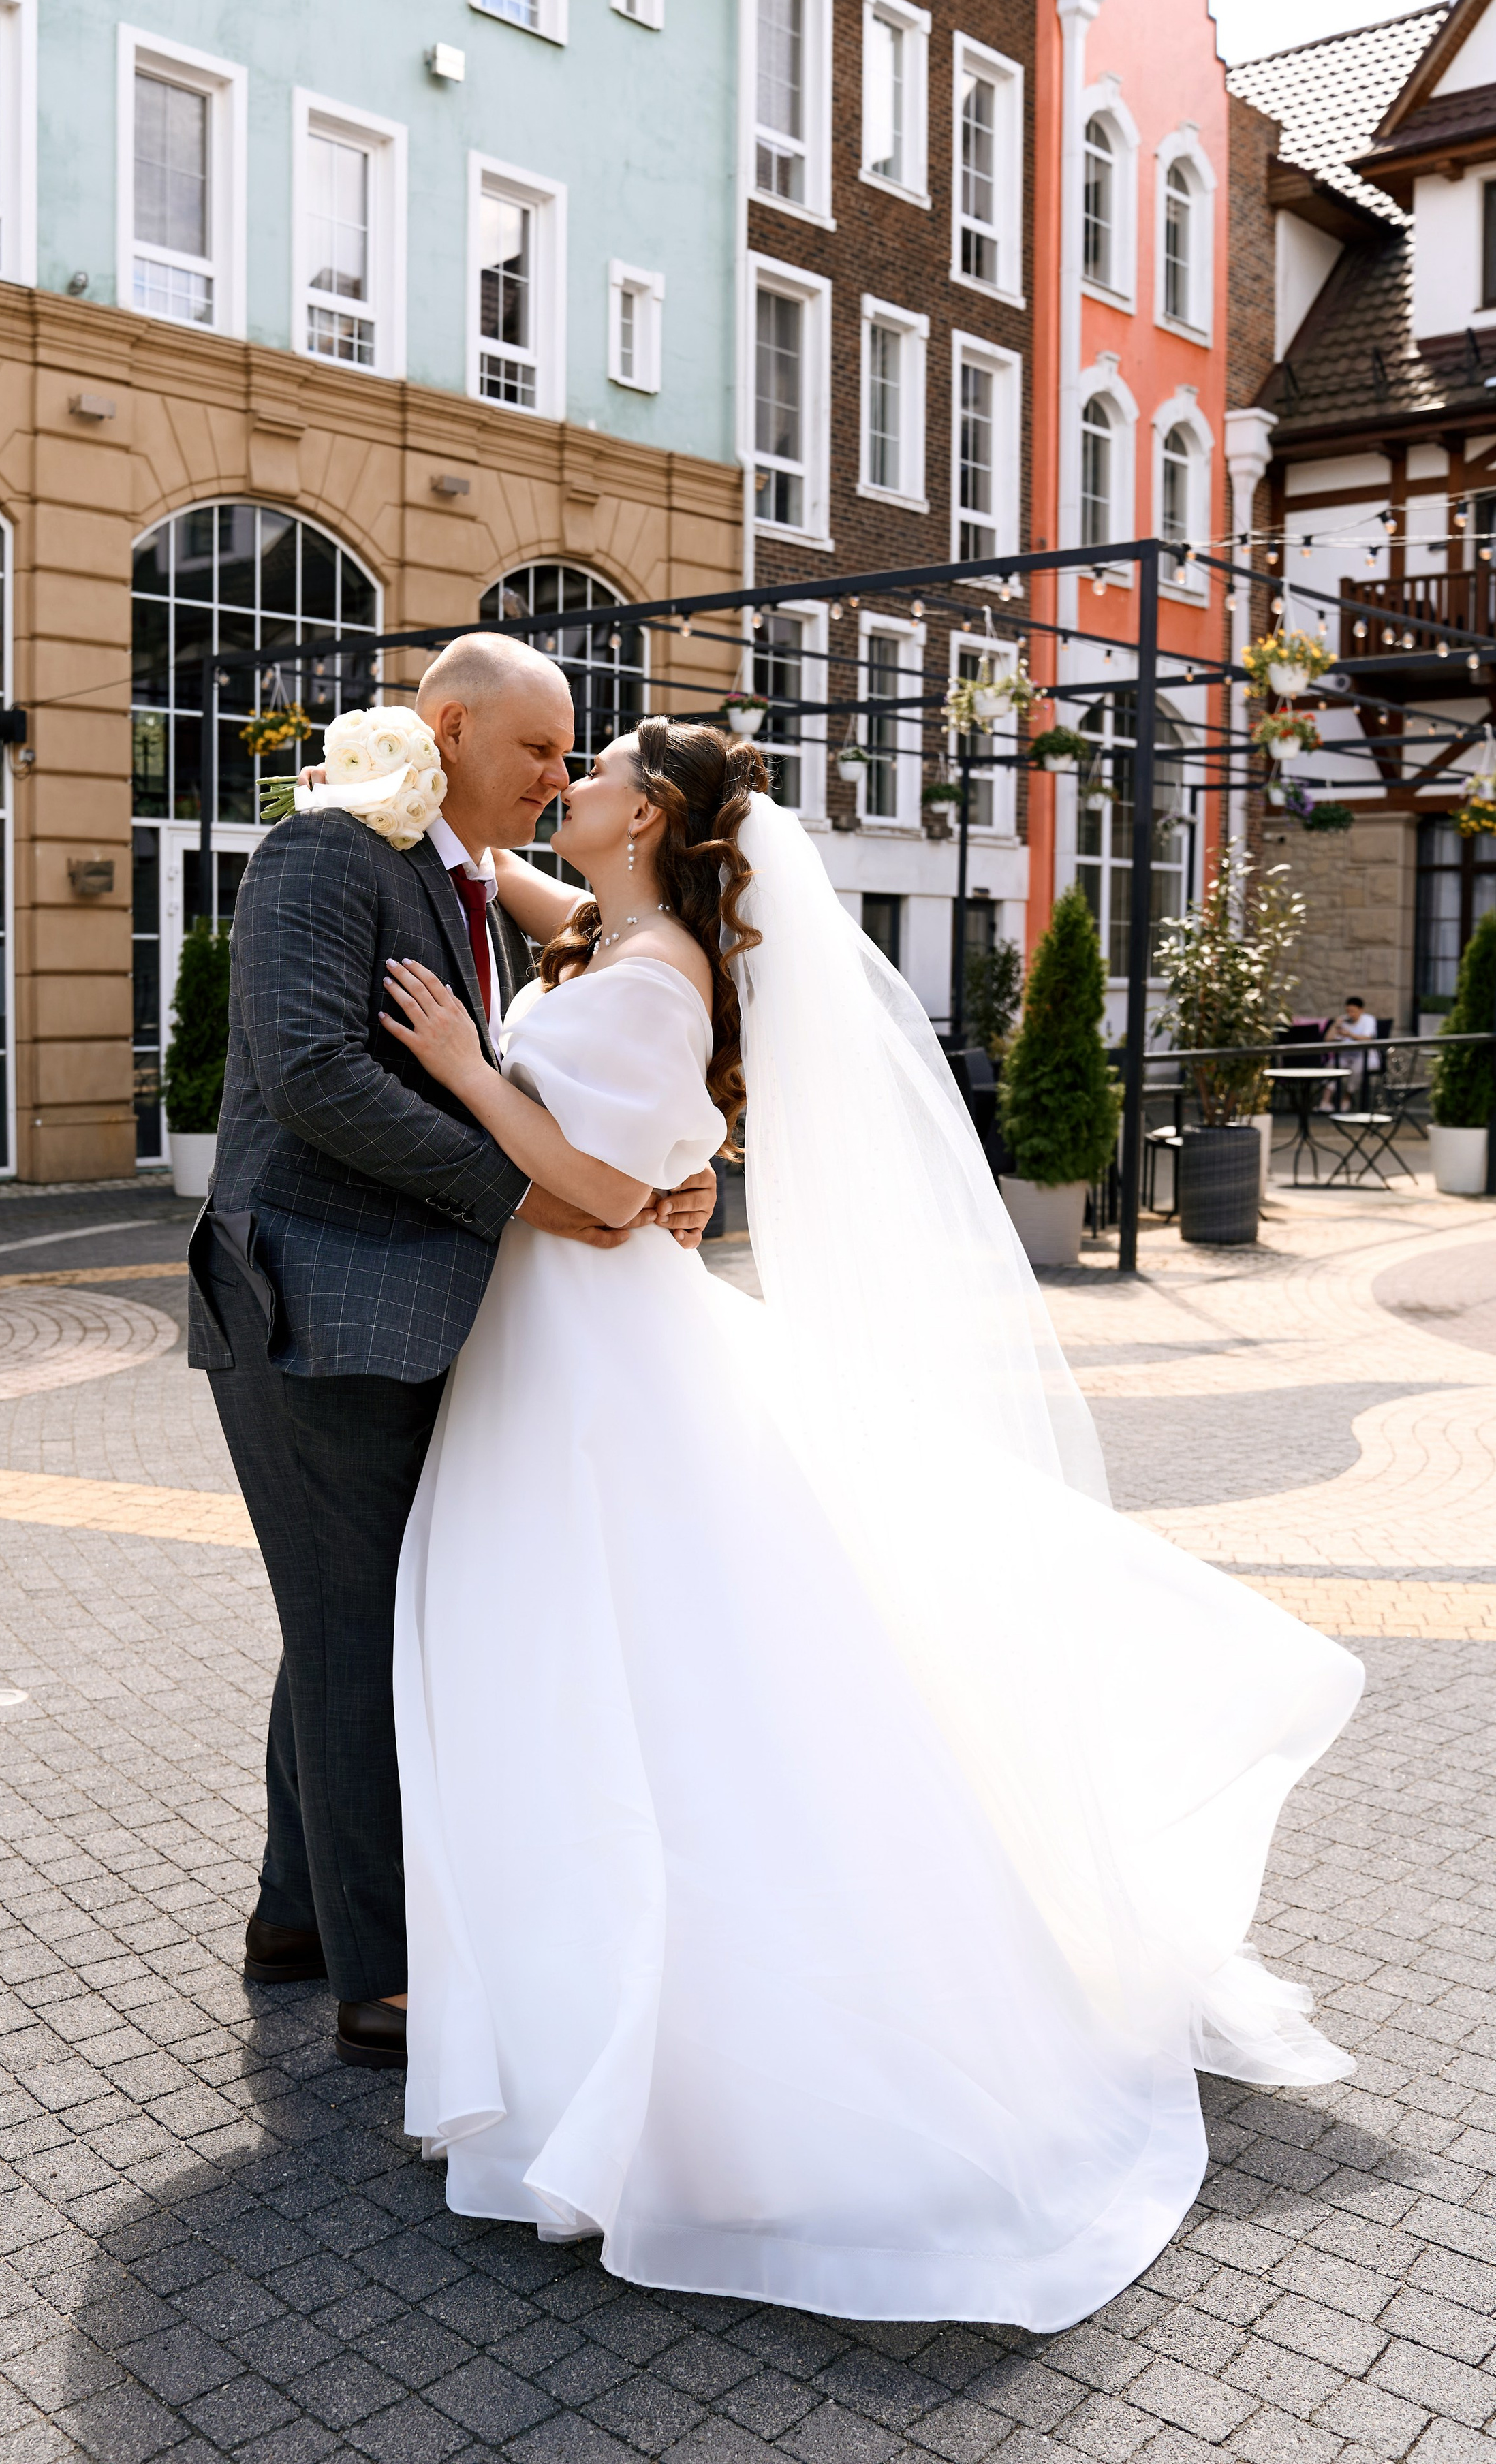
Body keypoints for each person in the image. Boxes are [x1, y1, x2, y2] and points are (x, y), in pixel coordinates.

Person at [379, 717, 1364, 2329]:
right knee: (581, 1685)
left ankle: (679, 2068)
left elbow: (607, 1186)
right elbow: (524, 903)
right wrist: (414, 802)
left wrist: (469, 1071)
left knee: (645, 1693)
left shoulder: (645, 979)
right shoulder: (613, 939)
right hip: (561, 1350)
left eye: (601, 766)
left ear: (655, 819)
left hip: (598, 1366)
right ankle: (565, 2024)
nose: (574, 779)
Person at [186, 636, 717, 2069]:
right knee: (360, 1626)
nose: (557, 777)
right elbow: (312, 1077)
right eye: (540, 751)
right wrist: (534, 1196)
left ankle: (296, 1918)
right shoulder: (324, 852)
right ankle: (385, 1982)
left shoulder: (467, 880)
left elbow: (606, 1030)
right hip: (313, 1306)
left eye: (574, 759)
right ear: (448, 726)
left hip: (419, 1312)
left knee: (345, 1611)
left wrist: (659, 1168)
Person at [1324, 994, 1378, 1109]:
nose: (1350, 1014)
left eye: (1353, 1011)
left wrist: (1350, 1035)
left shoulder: (1368, 1020)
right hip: (1345, 1055)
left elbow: (1367, 1038)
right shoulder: (1343, 1020)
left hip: (1365, 1056)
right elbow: (1328, 1039)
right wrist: (1335, 1025)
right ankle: (1325, 1101)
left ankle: (1347, 1098)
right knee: (1332, 1066)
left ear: (1361, 1010)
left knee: (1357, 1068)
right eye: (1348, 1011)